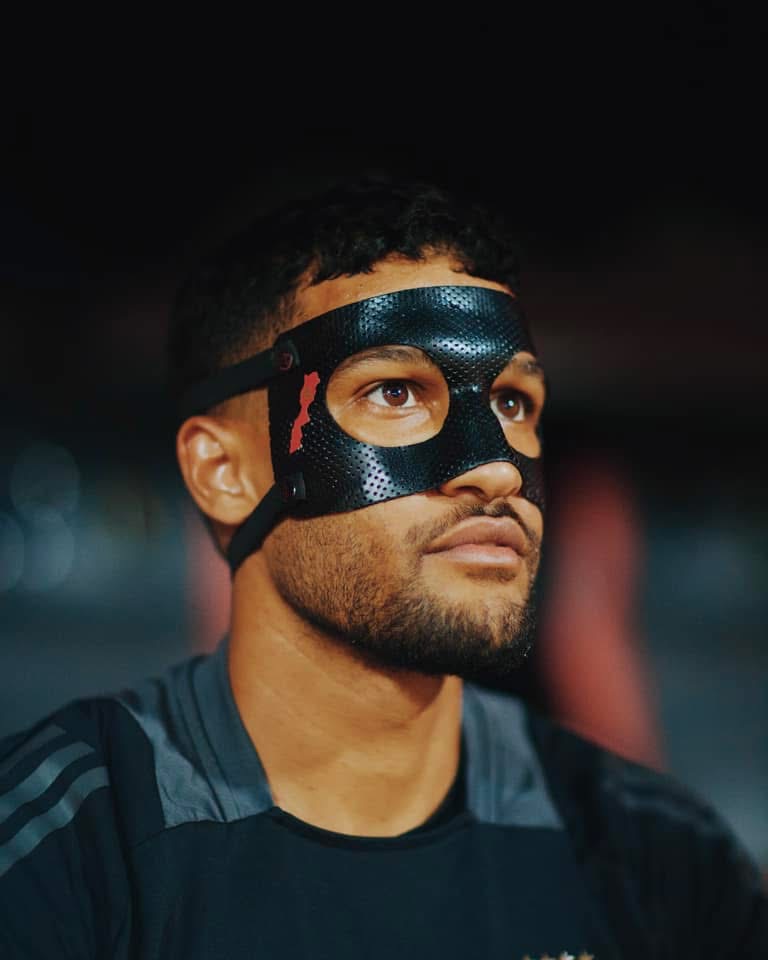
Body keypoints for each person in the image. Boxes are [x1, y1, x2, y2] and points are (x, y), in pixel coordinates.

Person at [0, 175, 765, 959]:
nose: (496, 470)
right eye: (394, 391)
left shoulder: (661, 862)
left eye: (511, 403)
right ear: (224, 473)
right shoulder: (61, 848)